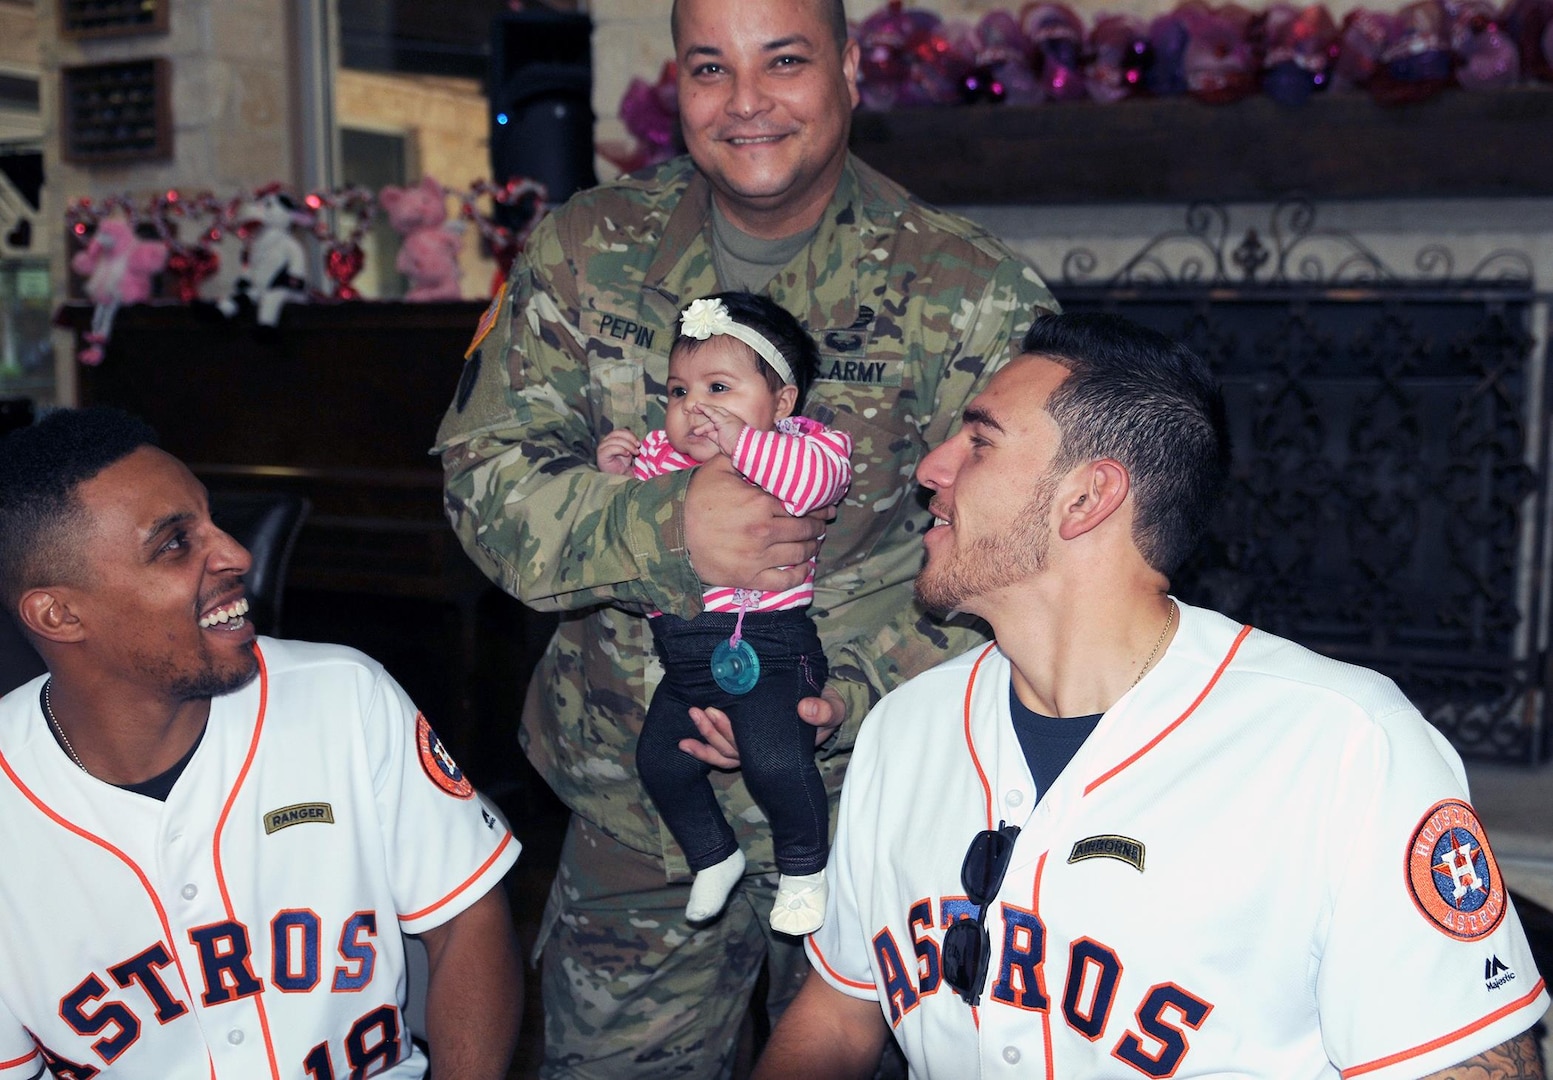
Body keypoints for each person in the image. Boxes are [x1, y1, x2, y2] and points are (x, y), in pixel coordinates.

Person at [434, 0, 1059, 1069]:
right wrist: (665, 526)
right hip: (638, 805)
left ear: (851, 71)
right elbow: (483, 476)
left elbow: (1029, 557)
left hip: (873, 801)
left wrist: (839, 693)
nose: (747, 102)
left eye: (783, 62)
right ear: (674, 83)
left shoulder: (965, 290)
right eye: (709, 69)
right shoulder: (588, 250)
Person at [753, 312, 1551, 1078]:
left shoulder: (1343, 744)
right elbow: (839, 1011)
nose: (931, 466)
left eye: (979, 441)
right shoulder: (904, 729)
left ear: (1086, 498)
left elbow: (1469, 1066)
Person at [0, 407, 523, 1079]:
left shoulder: (342, 695)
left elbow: (466, 920)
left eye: (211, 520)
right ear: (60, 614)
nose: (237, 554)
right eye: (174, 543)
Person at [598, 291, 852, 935]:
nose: (695, 409)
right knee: (661, 762)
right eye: (679, 392)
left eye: (718, 386)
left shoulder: (805, 448)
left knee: (775, 760)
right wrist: (618, 474)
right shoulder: (668, 458)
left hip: (768, 649)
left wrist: (743, 445)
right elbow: (624, 526)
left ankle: (803, 868)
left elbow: (816, 485)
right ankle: (713, 854)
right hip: (684, 657)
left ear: (783, 403)